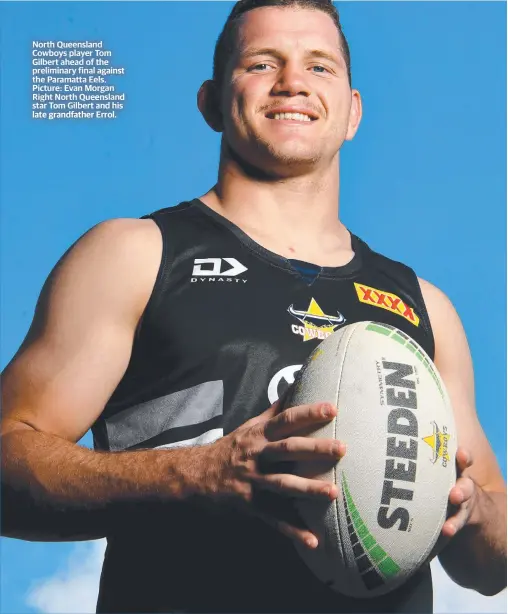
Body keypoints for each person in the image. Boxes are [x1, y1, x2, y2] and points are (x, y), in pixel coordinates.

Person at [1, 0, 506, 612]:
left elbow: (491, 566)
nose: (293, 81)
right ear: (212, 101)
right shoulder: (135, 254)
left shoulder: (423, 307)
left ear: (353, 112)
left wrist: (471, 511)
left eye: (320, 67)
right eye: (263, 63)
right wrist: (197, 474)